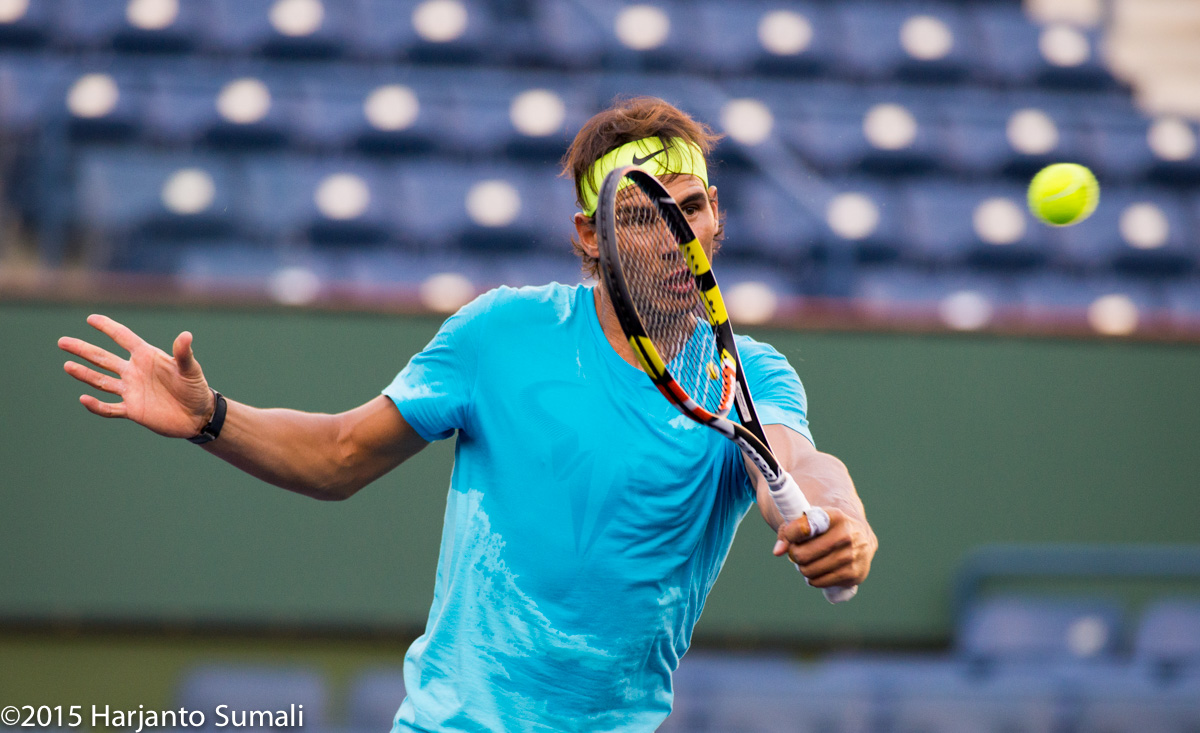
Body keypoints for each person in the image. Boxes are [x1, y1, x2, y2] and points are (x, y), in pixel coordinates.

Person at [58, 96, 876, 732]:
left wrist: (839, 518)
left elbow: (798, 466)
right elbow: (342, 453)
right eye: (638, 214)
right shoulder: (500, 334)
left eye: (689, 208)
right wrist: (213, 416)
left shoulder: (752, 375)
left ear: (716, 217)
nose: (671, 236)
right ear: (589, 238)